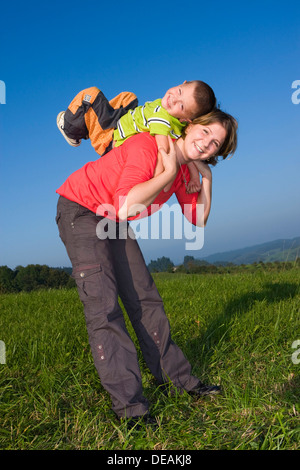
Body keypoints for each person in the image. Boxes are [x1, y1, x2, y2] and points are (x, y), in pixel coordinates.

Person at [55, 108, 238, 428]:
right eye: (206, 132)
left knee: (145, 298)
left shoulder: (187, 170)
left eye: (216, 144)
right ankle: (131, 409)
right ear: (191, 124)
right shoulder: (151, 146)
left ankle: (180, 381)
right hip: (83, 209)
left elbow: (198, 218)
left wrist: (206, 178)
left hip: (113, 217)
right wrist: (166, 174)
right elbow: (127, 204)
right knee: (105, 309)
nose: (207, 143)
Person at [56, 80, 216, 193]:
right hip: (121, 124)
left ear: (186, 118)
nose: (173, 99)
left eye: (181, 105)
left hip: (110, 139)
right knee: (129, 98)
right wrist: (195, 177)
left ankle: (72, 130)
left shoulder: (161, 116)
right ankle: (90, 123)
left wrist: (163, 178)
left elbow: (163, 149)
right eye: (179, 91)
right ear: (182, 82)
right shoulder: (180, 124)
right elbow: (188, 152)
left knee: (90, 94)